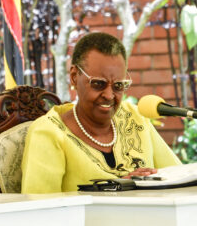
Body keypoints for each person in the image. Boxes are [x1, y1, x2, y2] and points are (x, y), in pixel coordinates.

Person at [21, 32, 181, 193]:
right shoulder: (48, 133)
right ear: (74, 77)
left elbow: (179, 175)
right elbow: (41, 211)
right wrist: (117, 187)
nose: (109, 95)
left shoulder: (134, 117)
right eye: (98, 84)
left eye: (118, 86)